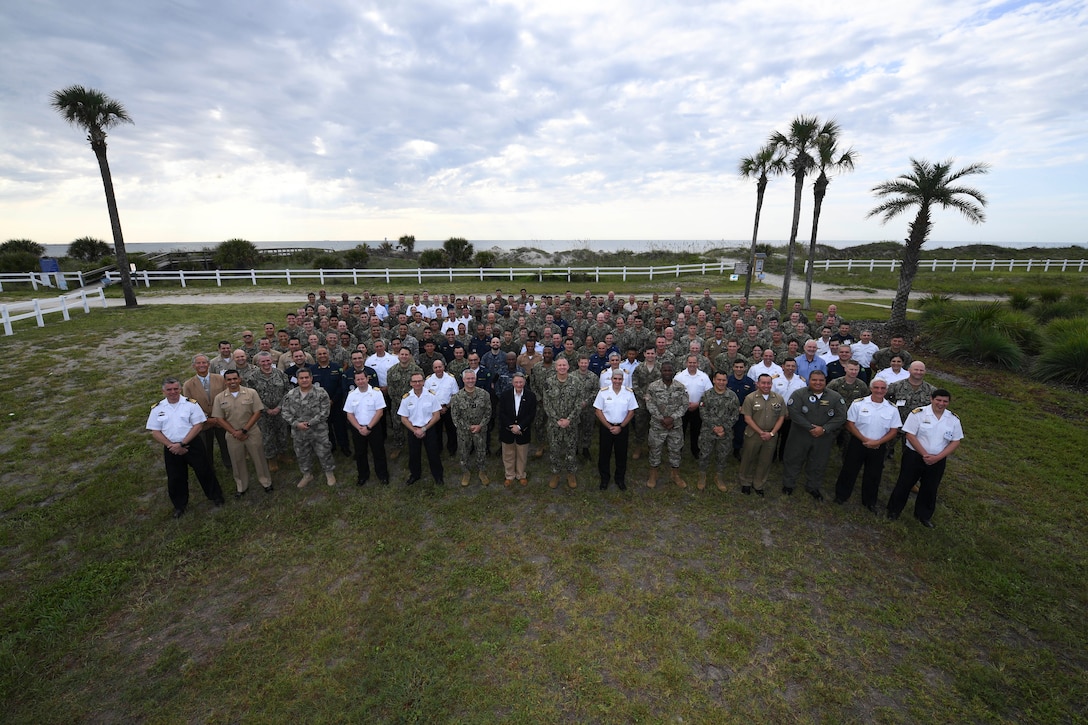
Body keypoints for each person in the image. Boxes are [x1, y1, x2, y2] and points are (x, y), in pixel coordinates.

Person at [146, 377, 225, 518]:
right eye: (169, 390)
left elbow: (198, 426)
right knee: (175, 478)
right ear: (163, 391)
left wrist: (182, 444)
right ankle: (179, 506)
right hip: (171, 447)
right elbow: (155, 431)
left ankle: (216, 497)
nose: (173, 392)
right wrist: (173, 446)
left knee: (204, 471)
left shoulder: (191, 404)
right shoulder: (157, 408)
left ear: (180, 389)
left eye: (176, 389)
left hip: (192, 444)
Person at [887, 389, 964, 528]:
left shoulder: (953, 419)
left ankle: (923, 515)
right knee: (904, 484)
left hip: (938, 459)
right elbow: (910, 435)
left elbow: (956, 441)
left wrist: (938, 457)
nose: (941, 404)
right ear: (931, 399)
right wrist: (924, 454)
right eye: (938, 400)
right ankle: (893, 511)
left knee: (930, 488)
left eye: (945, 401)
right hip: (915, 456)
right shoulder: (919, 414)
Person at [834, 377, 901, 512]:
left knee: (874, 474)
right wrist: (864, 439)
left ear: (886, 390)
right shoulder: (859, 404)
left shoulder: (892, 409)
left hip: (879, 445)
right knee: (849, 470)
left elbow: (894, 430)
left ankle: (869, 501)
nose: (879, 390)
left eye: (882, 388)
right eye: (876, 387)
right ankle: (841, 495)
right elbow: (849, 424)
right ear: (871, 389)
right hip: (858, 442)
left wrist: (878, 442)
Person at [781, 370, 847, 500]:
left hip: (823, 437)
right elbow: (794, 413)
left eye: (821, 380)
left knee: (818, 462)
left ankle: (813, 486)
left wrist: (824, 429)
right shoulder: (799, 394)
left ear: (825, 381)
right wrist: (810, 428)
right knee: (793, 459)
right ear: (809, 380)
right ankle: (789, 484)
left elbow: (841, 416)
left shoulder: (835, 397)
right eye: (814, 380)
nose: (818, 383)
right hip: (800, 435)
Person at [211, 369, 273, 498]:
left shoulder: (251, 393)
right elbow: (219, 419)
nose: (232, 382)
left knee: (259, 458)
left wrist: (244, 430)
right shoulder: (220, 397)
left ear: (240, 379)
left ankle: (266, 482)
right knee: (237, 461)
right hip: (232, 434)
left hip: (252, 431)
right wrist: (235, 432)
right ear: (225, 381)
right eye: (229, 379)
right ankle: (241, 486)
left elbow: (257, 412)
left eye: (235, 379)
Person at [280, 368, 337, 488]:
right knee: (302, 454)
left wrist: (310, 423)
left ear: (311, 378)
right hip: (299, 431)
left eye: (307, 377)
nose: (304, 380)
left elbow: (325, 412)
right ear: (298, 380)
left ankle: (329, 472)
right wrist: (296, 424)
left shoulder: (321, 392)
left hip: (318, 430)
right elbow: (285, 412)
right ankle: (307, 475)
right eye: (301, 378)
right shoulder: (290, 395)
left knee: (324, 452)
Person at [737, 374, 786, 496]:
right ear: (757, 384)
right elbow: (747, 418)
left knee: (765, 460)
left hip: (771, 435)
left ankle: (759, 484)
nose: (766, 385)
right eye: (763, 383)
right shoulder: (750, 398)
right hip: (753, 434)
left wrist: (772, 433)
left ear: (771, 384)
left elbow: (781, 417)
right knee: (748, 458)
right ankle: (745, 482)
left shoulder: (778, 399)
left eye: (768, 383)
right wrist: (761, 432)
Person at [645, 361, 691, 489]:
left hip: (675, 426)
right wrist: (661, 419)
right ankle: (653, 474)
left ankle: (675, 474)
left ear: (673, 372)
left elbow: (685, 404)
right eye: (664, 370)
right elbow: (650, 404)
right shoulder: (653, 387)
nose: (667, 373)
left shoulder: (680, 387)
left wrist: (672, 418)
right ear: (661, 371)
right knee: (655, 449)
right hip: (657, 425)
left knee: (676, 450)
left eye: (669, 370)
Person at [181, 354, 231, 469]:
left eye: (204, 363)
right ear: (194, 366)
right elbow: (189, 406)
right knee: (206, 448)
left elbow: (226, 397)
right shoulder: (188, 385)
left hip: (221, 420)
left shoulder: (220, 378)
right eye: (198, 363)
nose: (201, 365)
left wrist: (219, 417)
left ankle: (230, 465)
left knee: (225, 444)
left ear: (208, 364)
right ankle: (209, 468)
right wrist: (207, 419)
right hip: (203, 422)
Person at [397, 372, 445, 486]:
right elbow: (403, 418)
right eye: (414, 381)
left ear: (423, 382)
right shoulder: (406, 398)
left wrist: (423, 429)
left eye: (419, 381)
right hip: (413, 430)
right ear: (411, 383)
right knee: (414, 454)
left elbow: (437, 415)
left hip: (428, 428)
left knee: (433, 454)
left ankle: (438, 476)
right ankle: (415, 475)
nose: (417, 383)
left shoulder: (431, 396)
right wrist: (415, 430)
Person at [593, 370, 638, 491]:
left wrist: (621, 427)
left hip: (622, 428)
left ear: (622, 380)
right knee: (604, 454)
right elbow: (598, 411)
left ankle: (620, 479)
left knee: (621, 454)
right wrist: (609, 427)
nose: (617, 381)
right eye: (615, 379)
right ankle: (604, 479)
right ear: (611, 379)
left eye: (620, 379)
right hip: (606, 427)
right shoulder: (603, 392)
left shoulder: (628, 393)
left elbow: (631, 412)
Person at [543, 357, 584, 489]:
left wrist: (569, 419)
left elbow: (579, 403)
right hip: (554, 424)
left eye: (564, 365)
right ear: (556, 367)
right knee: (554, 449)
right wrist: (557, 420)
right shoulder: (549, 382)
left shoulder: (576, 381)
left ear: (568, 367)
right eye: (559, 365)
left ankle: (571, 473)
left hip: (571, 423)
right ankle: (555, 473)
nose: (561, 367)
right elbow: (547, 403)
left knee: (571, 449)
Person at [343, 369, 389, 486]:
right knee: (360, 453)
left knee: (378, 452)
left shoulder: (376, 393)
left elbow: (379, 412)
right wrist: (359, 428)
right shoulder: (352, 395)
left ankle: (382, 475)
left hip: (374, 427)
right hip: (358, 428)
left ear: (367, 379)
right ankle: (363, 475)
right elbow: (349, 414)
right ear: (355, 381)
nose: (361, 381)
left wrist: (368, 427)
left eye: (362, 379)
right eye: (358, 379)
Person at [248, 352, 292, 469]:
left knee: (282, 434)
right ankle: (271, 458)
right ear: (258, 363)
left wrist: (279, 407)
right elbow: (252, 396)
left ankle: (282, 454)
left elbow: (288, 391)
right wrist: (266, 409)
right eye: (263, 361)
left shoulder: (280, 374)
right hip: (263, 413)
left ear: (272, 360)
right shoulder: (252, 377)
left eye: (268, 360)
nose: (266, 363)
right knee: (267, 436)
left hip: (280, 410)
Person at [697, 370, 740, 491]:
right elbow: (703, 412)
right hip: (708, 431)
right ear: (714, 380)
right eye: (719, 380)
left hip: (725, 433)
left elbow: (735, 414)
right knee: (704, 453)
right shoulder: (706, 395)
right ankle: (702, 475)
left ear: (727, 381)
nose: (721, 382)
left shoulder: (732, 396)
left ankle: (719, 476)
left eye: (724, 380)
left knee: (723, 455)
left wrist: (723, 427)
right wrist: (714, 427)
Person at [450, 369, 492, 486]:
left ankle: (482, 471)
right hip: (464, 432)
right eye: (468, 378)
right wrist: (468, 427)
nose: (470, 381)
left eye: (472, 378)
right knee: (463, 452)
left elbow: (488, 413)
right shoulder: (457, 398)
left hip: (480, 430)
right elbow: (455, 417)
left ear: (476, 379)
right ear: (463, 380)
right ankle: (466, 472)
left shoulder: (484, 394)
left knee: (481, 451)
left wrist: (480, 425)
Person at [497, 372, 537, 486]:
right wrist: (511, 426)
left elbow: (531, 414)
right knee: (508, 454)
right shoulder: (505, 395)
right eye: (516, 382)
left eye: (521, 382)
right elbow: (502, 413)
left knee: (522, 454)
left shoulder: (530, 396)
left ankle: (521, 475)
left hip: (523, 431)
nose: (519, 384)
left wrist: (520, 426)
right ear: (512, 383)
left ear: (524, 382)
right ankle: (509, 475)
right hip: (507, 430)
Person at [677, 354, 713, 460]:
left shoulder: (704, 377)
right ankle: (678, 450)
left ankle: (695, 450)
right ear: (686, 363)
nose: (692, 364)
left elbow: (709, 394)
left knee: (696, 431)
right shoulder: (679, 376)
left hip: (698, 408)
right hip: (682, 408)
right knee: (680, 430)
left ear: (698, 364)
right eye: (690, 362)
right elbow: (674, 392)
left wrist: (698, 404)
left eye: (694, 363)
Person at [424, 358, 459, 457]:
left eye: (440, 367)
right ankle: (438, 449)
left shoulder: (451, 379)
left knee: (451, 430)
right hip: (435, 410)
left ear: (443, 367)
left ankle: (452, 449)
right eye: (436, 367)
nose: (438, 369)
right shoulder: (429, 380)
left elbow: (455, 395)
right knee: (436, 431)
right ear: (433, 369)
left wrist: (447, 407)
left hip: (448, 408)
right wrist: (438, 408)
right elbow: (427, 396)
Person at [726, 359, 757, 459]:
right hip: (728, 412)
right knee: (727, 431)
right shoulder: (728, 380)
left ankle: (737, 450)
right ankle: (724, 450)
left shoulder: (749, 382)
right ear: (733, 368)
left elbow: (753, 397)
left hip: (743, 412)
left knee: (739, 432)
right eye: (737, 367)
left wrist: (743, 408)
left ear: (745, 368)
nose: (739, 369)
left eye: (741, 367)